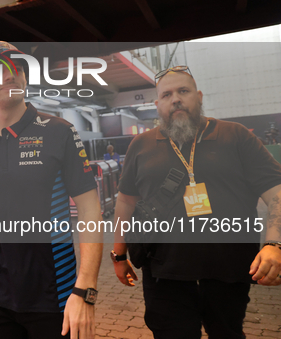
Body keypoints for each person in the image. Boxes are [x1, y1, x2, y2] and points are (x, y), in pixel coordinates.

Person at [112, 66, 281, 339]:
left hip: (228, 275)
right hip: (164, 277)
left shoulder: (236, 136)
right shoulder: (141, 145)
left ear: (199, 97)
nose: (175, 99)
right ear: (157, 105)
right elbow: (126, 201)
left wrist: (274, 243)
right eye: (166, 94)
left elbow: (277, 193)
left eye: (183, 91)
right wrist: (119, 255)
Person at [0, 41, 103, 339]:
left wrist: (85, 290)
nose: (11, 73)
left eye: (19, 67)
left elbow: (91, 211)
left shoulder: (59, 132)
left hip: (55, 297)